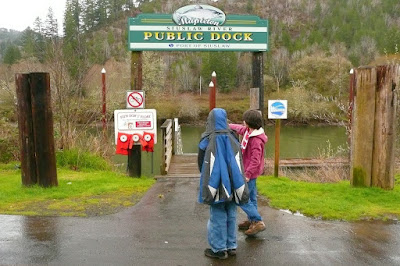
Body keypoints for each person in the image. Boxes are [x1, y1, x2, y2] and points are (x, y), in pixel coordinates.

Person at [198, 108, 249, 259]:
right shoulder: (233, 137)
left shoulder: (207, 138)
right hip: (235, 182)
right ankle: (231, 246)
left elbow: (202, 164)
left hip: (216, 184)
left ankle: (219, 249)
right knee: (232, 213)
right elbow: (239, 158)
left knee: (217, 215)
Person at [229, 109, 268, 236]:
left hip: (249, 173)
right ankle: (252, 220)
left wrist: (247, 174)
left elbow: (255, 160)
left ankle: (257, 221)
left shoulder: (256, 140)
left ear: (248, 122)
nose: (243, 122)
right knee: (251, 197)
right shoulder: (248, 131)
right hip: (249, 171)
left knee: (243, 197)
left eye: (244, 120)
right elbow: (239, 128)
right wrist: (227, 125)